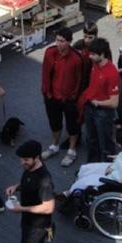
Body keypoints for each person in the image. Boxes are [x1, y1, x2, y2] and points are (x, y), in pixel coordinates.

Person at [5, 140, 55, 243]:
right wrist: (16, 187)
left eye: (26, 160)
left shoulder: (45, 181)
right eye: (21, 159)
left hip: (38, 226)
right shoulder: (30, 169)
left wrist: (21, 208)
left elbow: (49, 207)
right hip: (28, 220)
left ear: (36, 158)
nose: (22, 163)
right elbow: (28, 183)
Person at [40, 27, 84, 166]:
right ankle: (54, 146)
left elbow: (79, 79)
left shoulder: (77, 59)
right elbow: (45, 73)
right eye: (57, 40)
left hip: (69, 99)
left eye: (62, 41)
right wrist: (46, 92)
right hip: (51, 96)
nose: (58, 43)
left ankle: (71, 150)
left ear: (69, 42)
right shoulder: (49, 53)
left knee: (73, 125)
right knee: (54, 122)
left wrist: (74, 97)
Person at [61, 128, 122, 196]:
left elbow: (121, 178)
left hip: (113, 177)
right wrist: (118, 158)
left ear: (120, 145)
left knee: (87, 180)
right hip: (115, 166)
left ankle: (70, 192)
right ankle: (76, 183)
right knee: (87, 168)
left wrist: (110, 172)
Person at [79, 38, 119, 163]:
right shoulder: (95, 64)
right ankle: (91, 167)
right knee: (91, 140)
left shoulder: (111, 72)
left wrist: (97, 103)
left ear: (102, 54)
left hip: (103, 112)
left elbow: (114, 102)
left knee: (106, 144)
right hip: (90, 108)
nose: (90, 56)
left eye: (93, 54)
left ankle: (108, 170)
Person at [73, 20, 98, 95]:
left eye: (90, 37)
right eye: (85, 36)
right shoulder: (78, 45)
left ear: (96, 36)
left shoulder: (101, 48)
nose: (87, 40)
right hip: (80, 83)